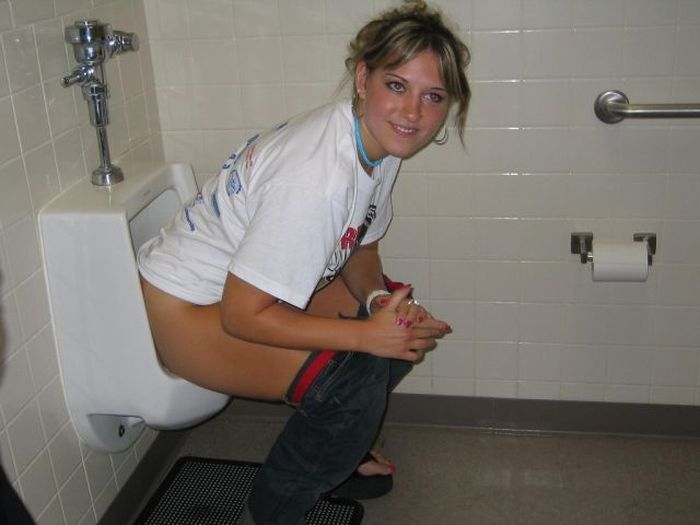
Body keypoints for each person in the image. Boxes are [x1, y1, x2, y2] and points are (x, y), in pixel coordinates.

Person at [137, 1, 470, 523]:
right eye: (397, 86)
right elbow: (241, 316)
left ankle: (338, 449)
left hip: (233, 292)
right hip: (187, 314)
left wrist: (378, 303)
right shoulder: (316, 178)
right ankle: (271, 511)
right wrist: (367, 337)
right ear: (363, 79)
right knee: (353, 380)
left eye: (433, 96)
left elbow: (360, 246)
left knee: (395, 325)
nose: (413, 113)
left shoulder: (376, 141)